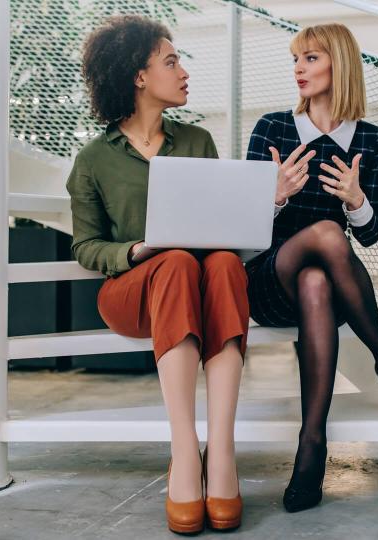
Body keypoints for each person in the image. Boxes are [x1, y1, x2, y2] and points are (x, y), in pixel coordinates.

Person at [244, 23, 378, 513]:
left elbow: (367, 236)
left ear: (339, 65)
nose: (298, 70)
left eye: (310, 59)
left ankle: (312, 446)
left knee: (317, 275)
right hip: (267, 278)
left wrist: (356, 200)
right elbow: (241, 232)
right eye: (296, 60)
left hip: (323, 291)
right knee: (326, 237)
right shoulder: (273, 129)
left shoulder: (370, 138)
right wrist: (275, 195)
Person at [68, 15, 245, 534]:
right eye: (171, 61)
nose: (183, 71)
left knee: (224, 262)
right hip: (132, 293)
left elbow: (219, 228)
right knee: (172, 260)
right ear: (139, 76)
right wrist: (139, 249)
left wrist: (259, 204)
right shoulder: (94, 159)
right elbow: (85, 245)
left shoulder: (198, 141)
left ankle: (223, 450)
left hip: (198, 282)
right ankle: (186, 451)